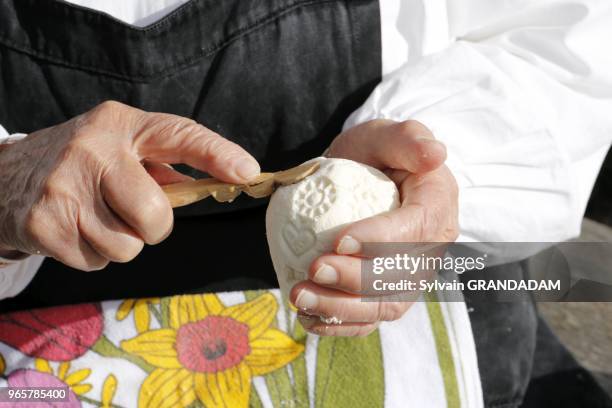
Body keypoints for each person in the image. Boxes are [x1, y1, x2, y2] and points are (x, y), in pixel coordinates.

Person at [0, 0, 611, 406]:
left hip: (412, 297)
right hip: (55, 343)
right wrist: (9, 182)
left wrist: (437, 164)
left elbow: (570, 45)